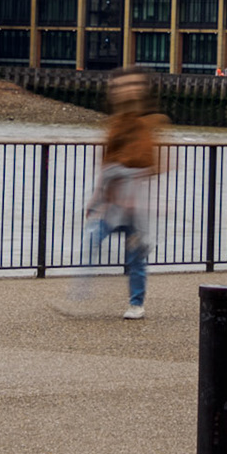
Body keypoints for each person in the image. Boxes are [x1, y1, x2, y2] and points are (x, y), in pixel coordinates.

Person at [84, 70, 166, 319]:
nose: (126, 90)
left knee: (136, 258)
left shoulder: (151, 122)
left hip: (136, 208)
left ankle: (136, 303)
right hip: (113, 206)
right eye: (121, 86)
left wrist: (127, 172)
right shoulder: (114, 125)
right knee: (92, 241)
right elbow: (105, 165)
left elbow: (157, 163)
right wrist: (97, 198)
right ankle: (81, 292)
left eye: (132, 85)